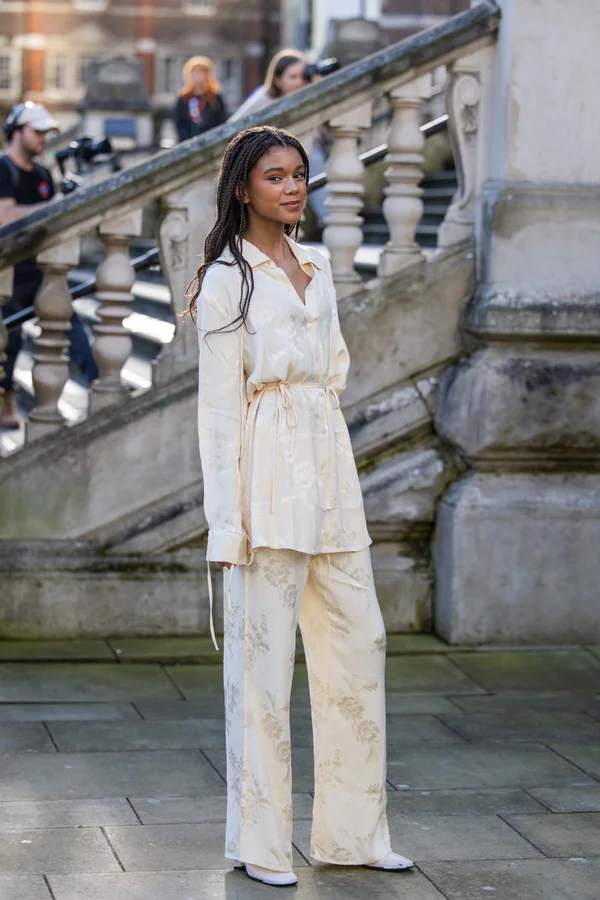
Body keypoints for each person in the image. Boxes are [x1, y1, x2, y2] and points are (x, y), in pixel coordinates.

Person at [191, 125, 414, 888]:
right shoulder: (226, 279)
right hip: (264, 477)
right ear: (243, 188)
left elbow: (336, 369)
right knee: (261, 668)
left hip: (329, 464)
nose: (291, 188)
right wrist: (228, 522)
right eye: (275, 177)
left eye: (300, 176)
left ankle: (352, 835)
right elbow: (217, 411)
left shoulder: (317, 263)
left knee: (361, 642)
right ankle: (260, 845)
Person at [0, 101, 97, 429]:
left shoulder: (43, 173)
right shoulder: (3, 167)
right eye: (37, 131)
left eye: (46, 132)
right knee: (10, 339)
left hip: (43, 268)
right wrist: (48, 207)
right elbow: (6, 217)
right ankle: (6, 402)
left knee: (74, 328)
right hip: (10, 271)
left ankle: (99, 386)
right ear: (17, 131)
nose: (43, 138)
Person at [229, 49, 305, 121]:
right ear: (277, 80)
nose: (299, 82)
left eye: (303, 75)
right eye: (293, 77)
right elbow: (232, 124)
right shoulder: (264, 97)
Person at [173, 56, 228, 142]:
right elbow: (178, 122)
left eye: (201, 72)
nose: (197, 76)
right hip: (187, 142)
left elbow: (221, 120)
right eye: (194, 72)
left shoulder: (214, 98)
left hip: (210, 141)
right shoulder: (184, 97)